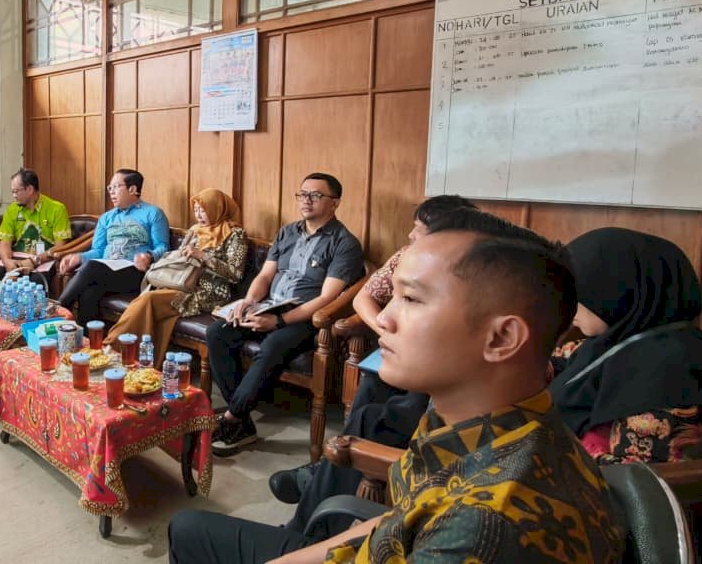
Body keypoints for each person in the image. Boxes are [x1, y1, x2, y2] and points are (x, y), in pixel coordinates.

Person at [169, 221, 628, 564]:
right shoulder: (476, 418)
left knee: (189, 529)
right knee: (190, 526)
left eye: (411, 299)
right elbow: (399, 520)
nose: (383, 319)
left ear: (501, 339)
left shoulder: (485, 529)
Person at [267, 195, 475, 504]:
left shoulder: (467, 274)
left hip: (435, 364)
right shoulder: (406, 255)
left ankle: (335, 469)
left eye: (418, 229)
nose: (410, 235)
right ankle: (334, 466)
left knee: (382, 413)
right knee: (370, 388)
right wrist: (384, 329)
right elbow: (363, 297)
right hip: (399, 349)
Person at [208, 173, 364, 456]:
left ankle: (231, 419)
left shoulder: (344, 243)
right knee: (218, 332)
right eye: (302, 194)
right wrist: (249, 301)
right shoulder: (287, 232)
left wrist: (278, 321)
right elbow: (266, 274)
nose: (306, 200)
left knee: (272, 345)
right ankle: (241, 418)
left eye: (316, 195)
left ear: (335, 203)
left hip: (306, 317)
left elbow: (327, 299)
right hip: (269, 303)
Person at [553, 227, 702, 465]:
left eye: (577, 294)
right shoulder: (618, 342)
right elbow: (554, 366)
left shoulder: (669, 372)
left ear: (618, 291)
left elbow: (641, 481)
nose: (566, 307)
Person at [103, 188, 247, 367]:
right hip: (180, 281)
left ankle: (112, 349)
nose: (199, 215)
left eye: (203, 210)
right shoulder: (195, 230)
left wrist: (204, 257)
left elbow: (235, 274)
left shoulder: (235, 234)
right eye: (196, 210)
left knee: (148, 299)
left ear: (216, 208)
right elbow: (181, 259)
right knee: (145, 301)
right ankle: (135, 361)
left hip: (208, 290)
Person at [55, 168, 170, 323]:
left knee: (91, 268)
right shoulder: (106, 218)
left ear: (133, 189)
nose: (111, 192)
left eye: (116, 187)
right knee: (89, 292)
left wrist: (149, 256)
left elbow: (163, 247)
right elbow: (99, 251)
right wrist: (79, 257)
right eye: (110, 188)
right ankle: (88, 341)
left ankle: (58, 311)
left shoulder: (153, 213)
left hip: (135, 273)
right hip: (105, 271)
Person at [0, 168, 70, 287]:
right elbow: (4, 242)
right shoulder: (12, 209)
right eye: (12, 191)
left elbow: (61, 246)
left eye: (16, 191)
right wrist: (7, 261)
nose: (14, 196)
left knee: (35, 281)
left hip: (45, 259)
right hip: (18, 257)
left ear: (30, 189)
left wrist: (34, 261)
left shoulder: (57, 209)